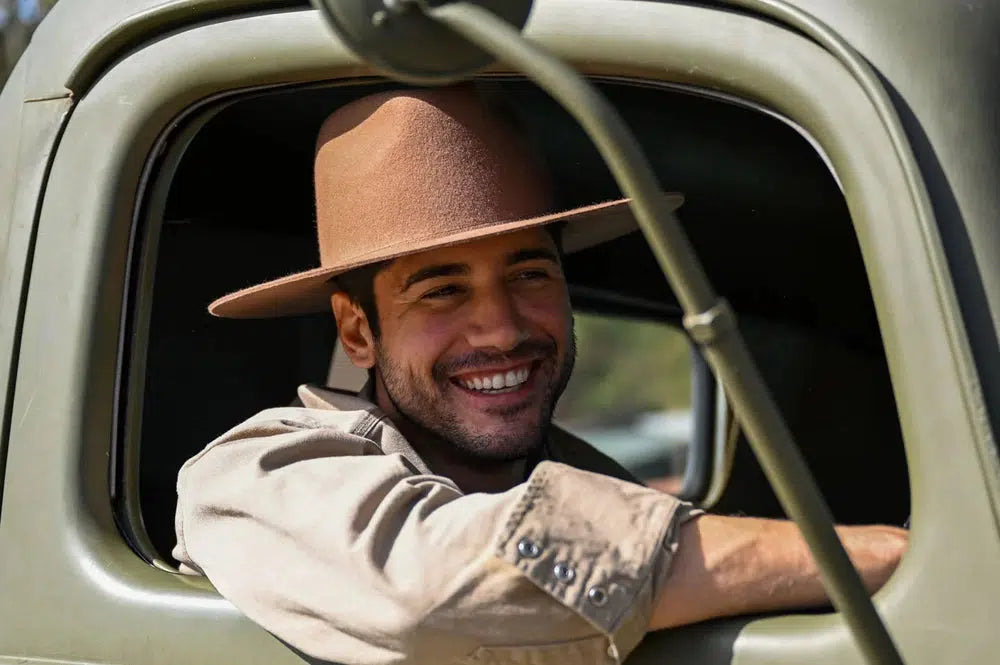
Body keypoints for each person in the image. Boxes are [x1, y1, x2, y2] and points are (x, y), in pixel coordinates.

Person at [173, 86, 907, 665]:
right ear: (359, 329)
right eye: (442, 289)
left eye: (530, 272)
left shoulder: (589, 475)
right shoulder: (254, 473)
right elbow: (428, 590)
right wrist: (903, 560)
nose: (502, 328)